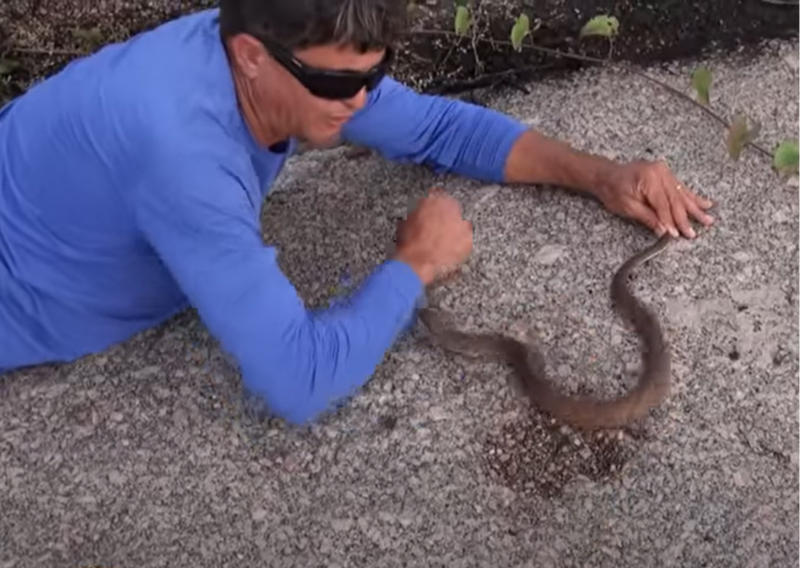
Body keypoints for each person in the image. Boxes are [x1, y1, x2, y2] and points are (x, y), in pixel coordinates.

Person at [0, 0, 714, 424]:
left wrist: (598, 175)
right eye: (339, 81)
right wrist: (414, 267)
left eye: (375, 73)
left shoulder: (275, 55)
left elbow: (439, 129)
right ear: (252, 56)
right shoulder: (181, 155)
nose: (362, 101)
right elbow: (298, 381)